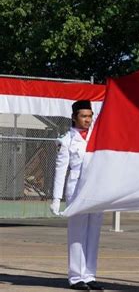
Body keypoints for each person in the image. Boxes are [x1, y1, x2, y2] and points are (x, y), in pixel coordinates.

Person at [50, 100, 104, 290]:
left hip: (96, 190)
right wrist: (56, 198)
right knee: (77, 234)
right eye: (83, 116)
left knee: (93, 233)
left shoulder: (98, 137)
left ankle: (90, 275)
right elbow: (60, 170)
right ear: (74, 118)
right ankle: (76, 277)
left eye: (90, 116)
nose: (87, 120)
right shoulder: (67, 140)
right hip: (76, 191)